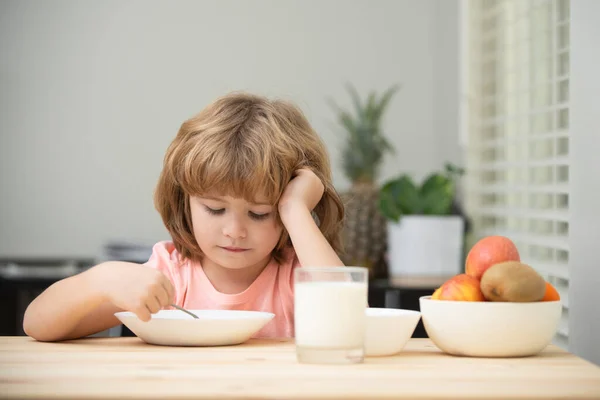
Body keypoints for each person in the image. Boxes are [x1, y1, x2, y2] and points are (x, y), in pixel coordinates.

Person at [22, 92, 346, 342]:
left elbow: (348, 321)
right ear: (184, 201)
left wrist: (296, 209)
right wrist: (102, 280)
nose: (234, 231)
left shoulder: (299, 275)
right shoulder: (171, 275)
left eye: (260, 213)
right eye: (215, 209)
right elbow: (37, 324)